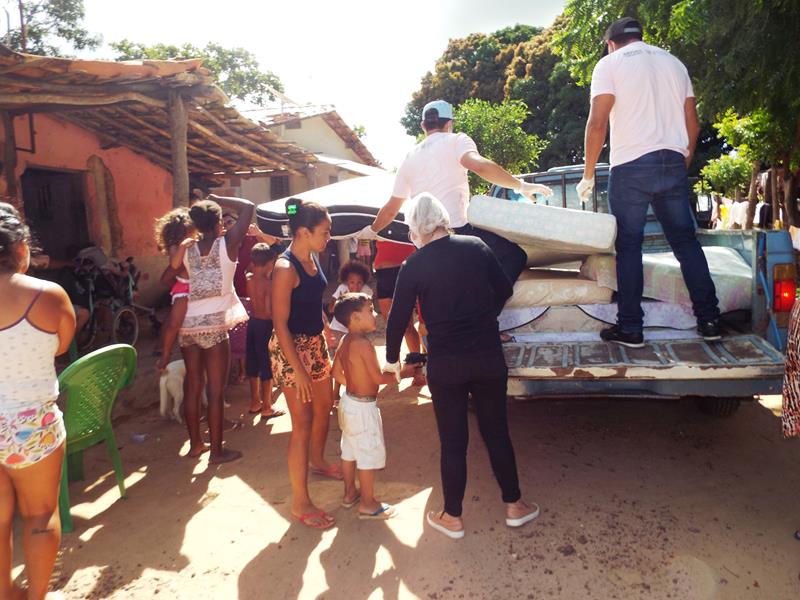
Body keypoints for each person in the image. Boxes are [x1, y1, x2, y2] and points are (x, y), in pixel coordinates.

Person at [384, 193, 539, 539]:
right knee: (496, 432)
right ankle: (515, 505)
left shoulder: (414, 264)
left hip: (446, 364)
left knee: (453, 442)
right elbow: (504, 289)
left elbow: (397, 318)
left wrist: (392, 359)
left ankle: (452, 516)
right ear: (443, 218)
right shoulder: (476, 247)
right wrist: (485, 316)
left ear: (415, 227)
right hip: (487, 357)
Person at [576, 16, 721, 348]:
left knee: (629, 247)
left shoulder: (609, 64)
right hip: (672, 160)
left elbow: (597, 124)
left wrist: (588, 173)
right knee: (686, 243)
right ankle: (710, 320)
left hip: (630, 166)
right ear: (640, 37)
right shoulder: (675, 64)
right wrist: (680, 163)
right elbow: (693, 124)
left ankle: (631, 328)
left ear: (610, 44)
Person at [359, 99, 552, 287]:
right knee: (514, 255)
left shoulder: (409, 158)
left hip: (424, 243)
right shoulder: (457, 140)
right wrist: (521, 186)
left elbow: (391, 209)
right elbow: (480, 166)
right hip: (455, 231)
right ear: (449, 123)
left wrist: (370, 232)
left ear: (423, 126)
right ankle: (488, 303)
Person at [0, 202, 76, 600]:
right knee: (39, 515)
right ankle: (37, 597)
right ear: (20, 248)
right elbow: (60, 346)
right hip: (31, 423)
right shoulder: (48, 295)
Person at [270, 198, 340, 530]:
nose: (329, 238)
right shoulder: (285, 269)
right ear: (303, 232)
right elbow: (279, 323)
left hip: (314, 344)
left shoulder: (311, 256)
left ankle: (318, 460)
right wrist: (297, 369)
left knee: (324, 407)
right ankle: (300, 503)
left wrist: (324, 326)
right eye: (324, 232)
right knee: (302, 424)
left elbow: (311, 300)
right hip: (291, 350)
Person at [172, 194, 253, 464]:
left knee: (193, 386)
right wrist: (218, 198)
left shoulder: (187, 249)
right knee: (216, 391)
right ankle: (217, 452)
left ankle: (196, 444)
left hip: (188, 325)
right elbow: (248, 207)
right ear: (218, 222)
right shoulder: (227, 245)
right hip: (215, 326)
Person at [332, 293, 418, 520]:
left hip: (349, 402)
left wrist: (355, 383)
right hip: (363, 408)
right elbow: (379, 379)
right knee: (367, 454)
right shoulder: (363, 345)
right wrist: (404, 373)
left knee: (350, 450)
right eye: (370, 311)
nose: (376, 314)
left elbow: (335, 372)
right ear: (355, 317)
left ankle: (350, 494)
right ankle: (368, 504)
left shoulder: (345, 340)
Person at [245, 243, 284, 422]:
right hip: (265, 325)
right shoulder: (269, 284)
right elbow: (269, 311)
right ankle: (267, 407)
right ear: (270, 263)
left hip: (252, 323)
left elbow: (249, 269)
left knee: (253, 363)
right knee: (266, 365)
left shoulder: (249, 278)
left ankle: (255, 402)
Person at [154, 207, 195, 371]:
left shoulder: (194, 242)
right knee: (174, 323)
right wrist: (183, 248)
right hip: (184, 287)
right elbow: (175, 265)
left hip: (195, 285)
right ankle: (165, 355)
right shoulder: (176, 247)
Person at [373, 241, 421, 357]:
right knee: (390, 326)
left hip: (403, 269)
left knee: (407, 325)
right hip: (382, 273)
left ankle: (417, 363)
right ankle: (394, 364)